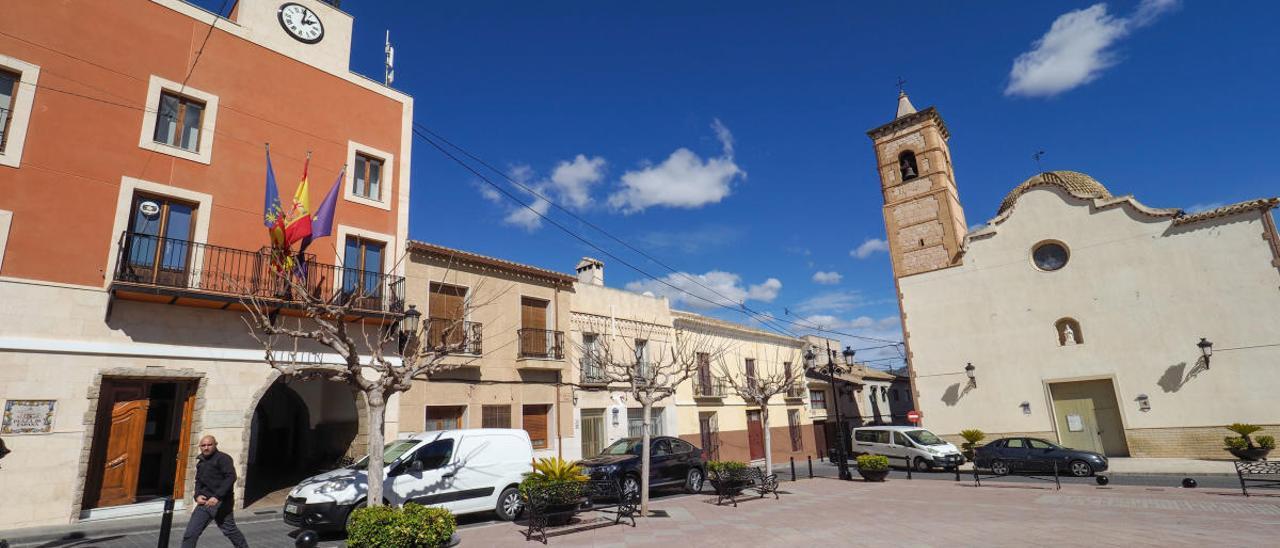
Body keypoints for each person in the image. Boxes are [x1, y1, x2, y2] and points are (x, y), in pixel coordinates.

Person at [182, 435, 248, 548]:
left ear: (215, 445)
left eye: (209, 445)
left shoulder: (223, 458)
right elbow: (198, 481)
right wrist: (197, 495)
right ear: (200, 447)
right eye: (203, 445)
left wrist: (217, 496)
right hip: (204, 504)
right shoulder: (201, 461)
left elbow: (230, 477)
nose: (206, 447)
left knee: (230, 531)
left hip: (221, 503)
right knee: (190, 534)